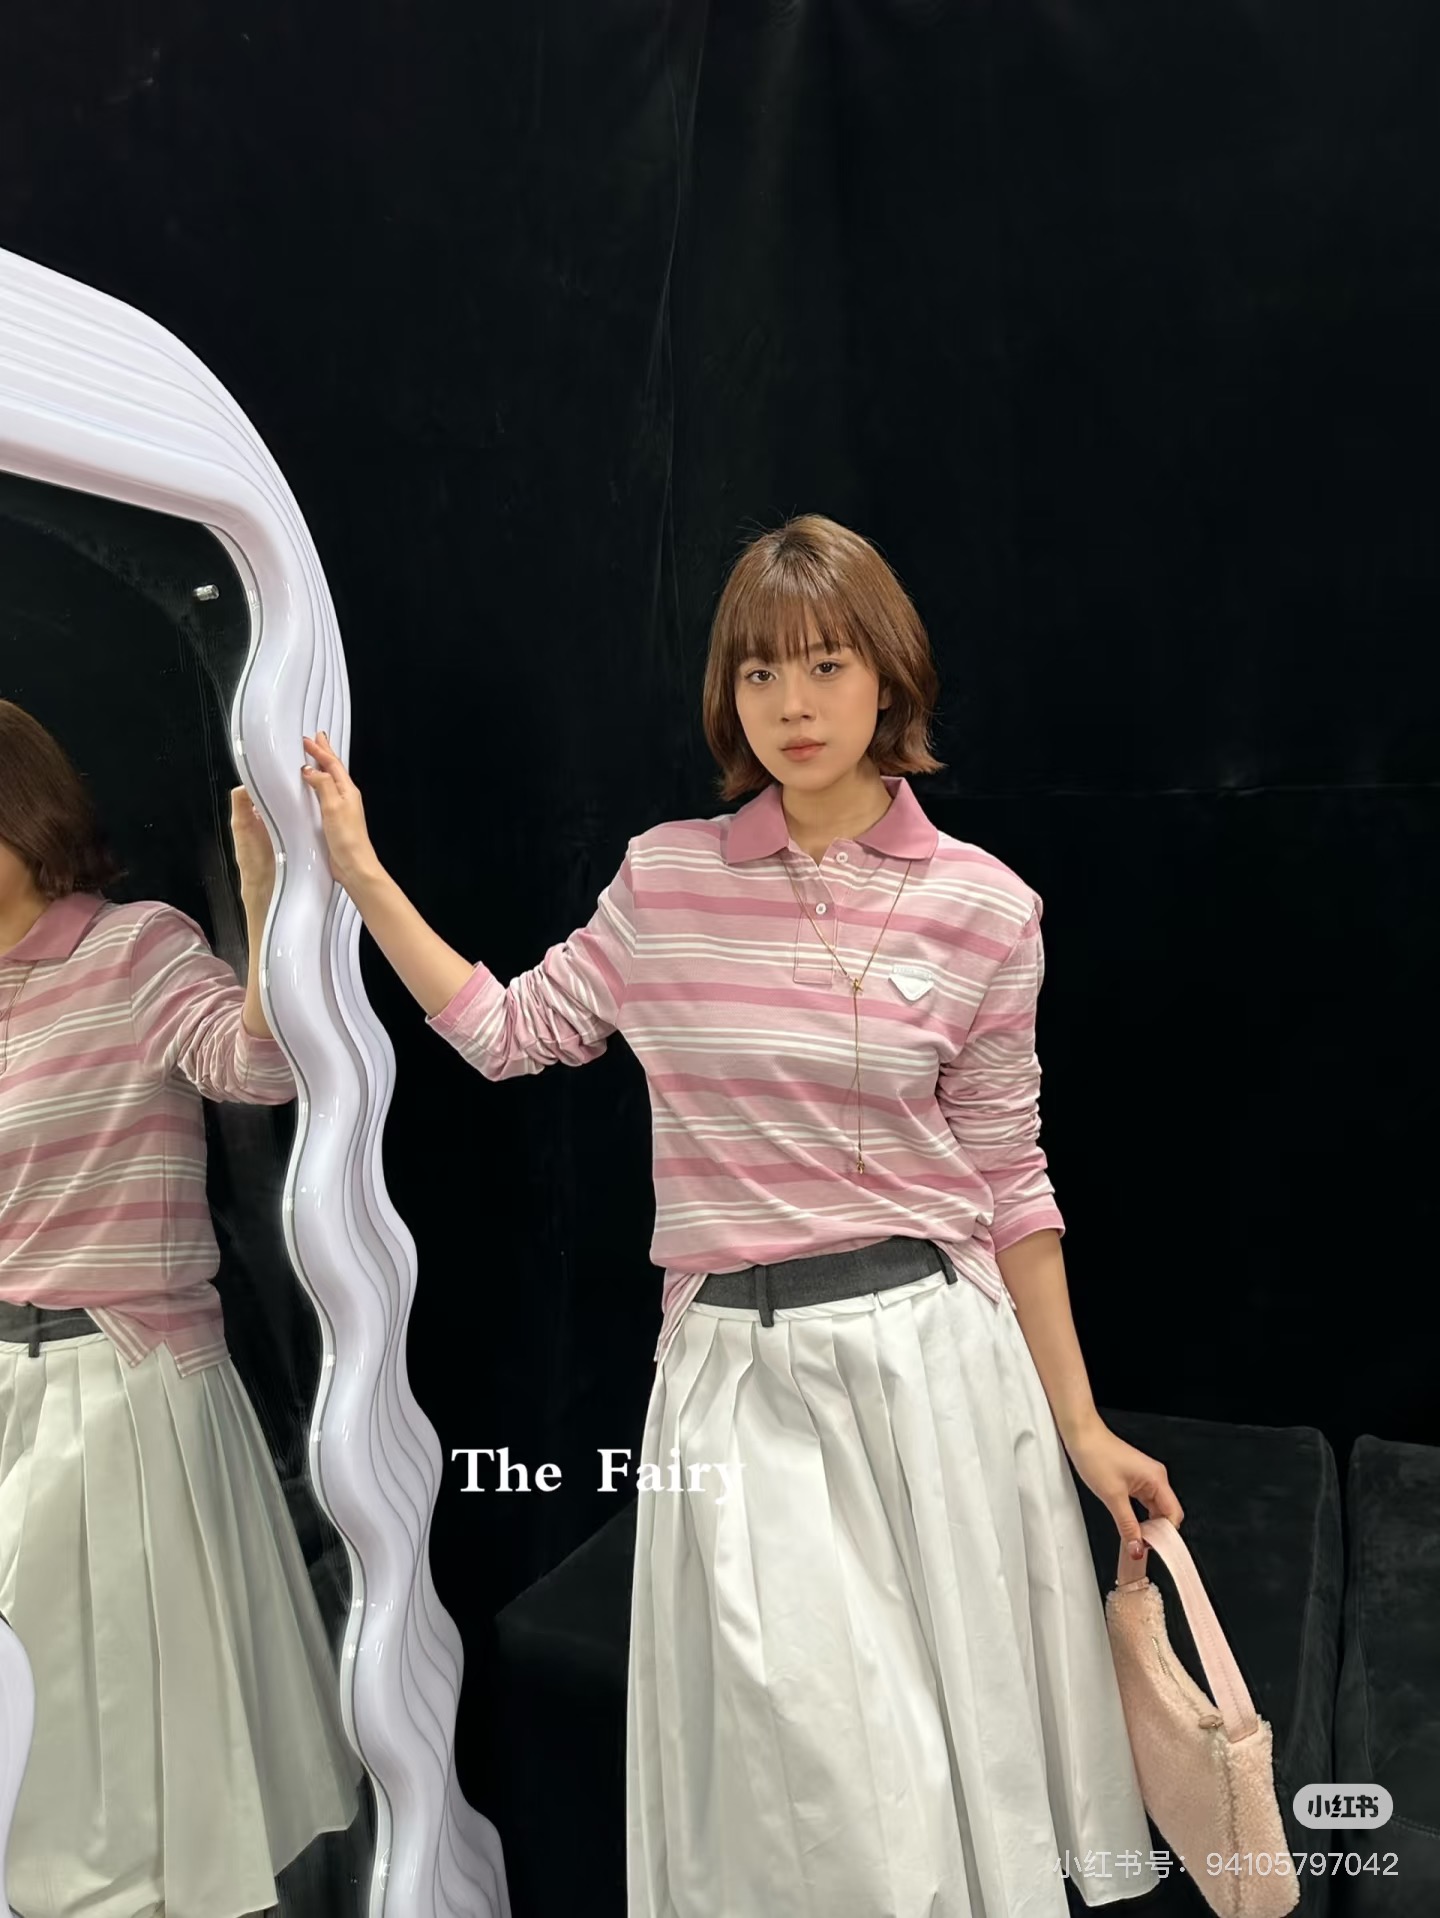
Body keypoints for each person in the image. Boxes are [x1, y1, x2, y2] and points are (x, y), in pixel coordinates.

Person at [300, 513, 1186, 1917]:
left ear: (888, 675)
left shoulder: (985, 910)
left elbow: (1013, 1182)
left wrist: (1080, 1426)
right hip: (733, 1373)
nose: (792, 703)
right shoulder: (666, 879)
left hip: (933, 1369)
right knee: (812, 1779)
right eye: (760, 672)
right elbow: (510, 1033)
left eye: (826, 664)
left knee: (948, 1772)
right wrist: (359, 875)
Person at [0, 701, 362, 1918]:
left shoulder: (132, 948)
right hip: (8, 1392)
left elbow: (257, 1067)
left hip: (121, 1391)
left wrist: (265, 907)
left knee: (128, 1784)